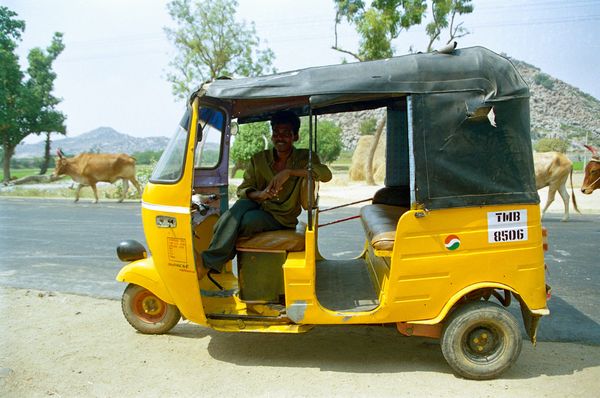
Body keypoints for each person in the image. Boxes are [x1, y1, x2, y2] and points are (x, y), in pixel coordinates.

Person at [199, 110, 332, 277]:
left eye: (286, 133)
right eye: (276, 133)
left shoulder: (305, 157)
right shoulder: (259, 159)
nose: (280, 138)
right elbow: (243, 189)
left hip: (281, 218)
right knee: (237, 209)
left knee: (241, 221)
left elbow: (326, 174)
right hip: (258, 206)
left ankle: (209, 263)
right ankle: (210, 263)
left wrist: (290, 172)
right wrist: (260, 195)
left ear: (295, 136)